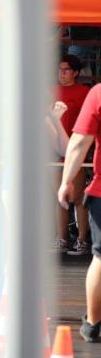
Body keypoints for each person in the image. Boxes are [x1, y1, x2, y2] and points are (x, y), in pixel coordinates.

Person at [58, 83, 101, 343]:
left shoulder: (98, 93)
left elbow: (79, 141)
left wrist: (66, 181)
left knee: (100, 258)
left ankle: (93, 324)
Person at [55, 55, 92, 255]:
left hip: (77, 148)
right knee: (59, 197)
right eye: (60, 69)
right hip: (55, 151)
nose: (62, 73)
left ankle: (82, 239)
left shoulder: (84, 92)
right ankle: (62, 238)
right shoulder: (51, 91)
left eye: (66, 69)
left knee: (78, 197)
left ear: (76, 72)